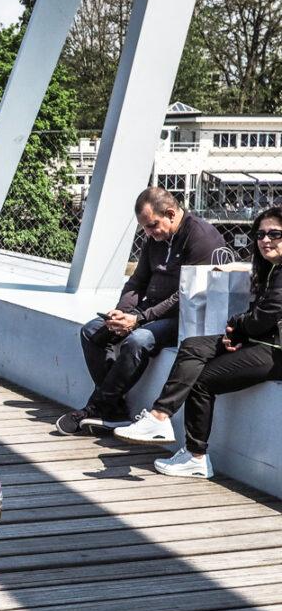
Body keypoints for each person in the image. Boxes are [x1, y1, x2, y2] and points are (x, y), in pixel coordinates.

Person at [112, 207, 282, 477]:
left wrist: (238, 327)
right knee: (192, 344)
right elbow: (262, 319)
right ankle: (160, 417)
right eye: (260, 234)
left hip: (275, 353)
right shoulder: (271, 269)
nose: (265, 240)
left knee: (202, 381)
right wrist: (239, 332)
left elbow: (266, 316)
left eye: (274, 234)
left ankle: (196, 457)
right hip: (261, 341)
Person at [56, 187, 226, 436]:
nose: (148, 233)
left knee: (139, 339)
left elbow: (187, 295)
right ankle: (114, 410)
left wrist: (138, 320)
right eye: (144, 228)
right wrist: (120, 312)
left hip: (185, 316)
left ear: (170, 213)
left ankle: (96, 407)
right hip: (151, 310)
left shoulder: (201, 237)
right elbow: (137, 281)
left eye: (152, 225)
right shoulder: (154, 238)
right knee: (92, 331)